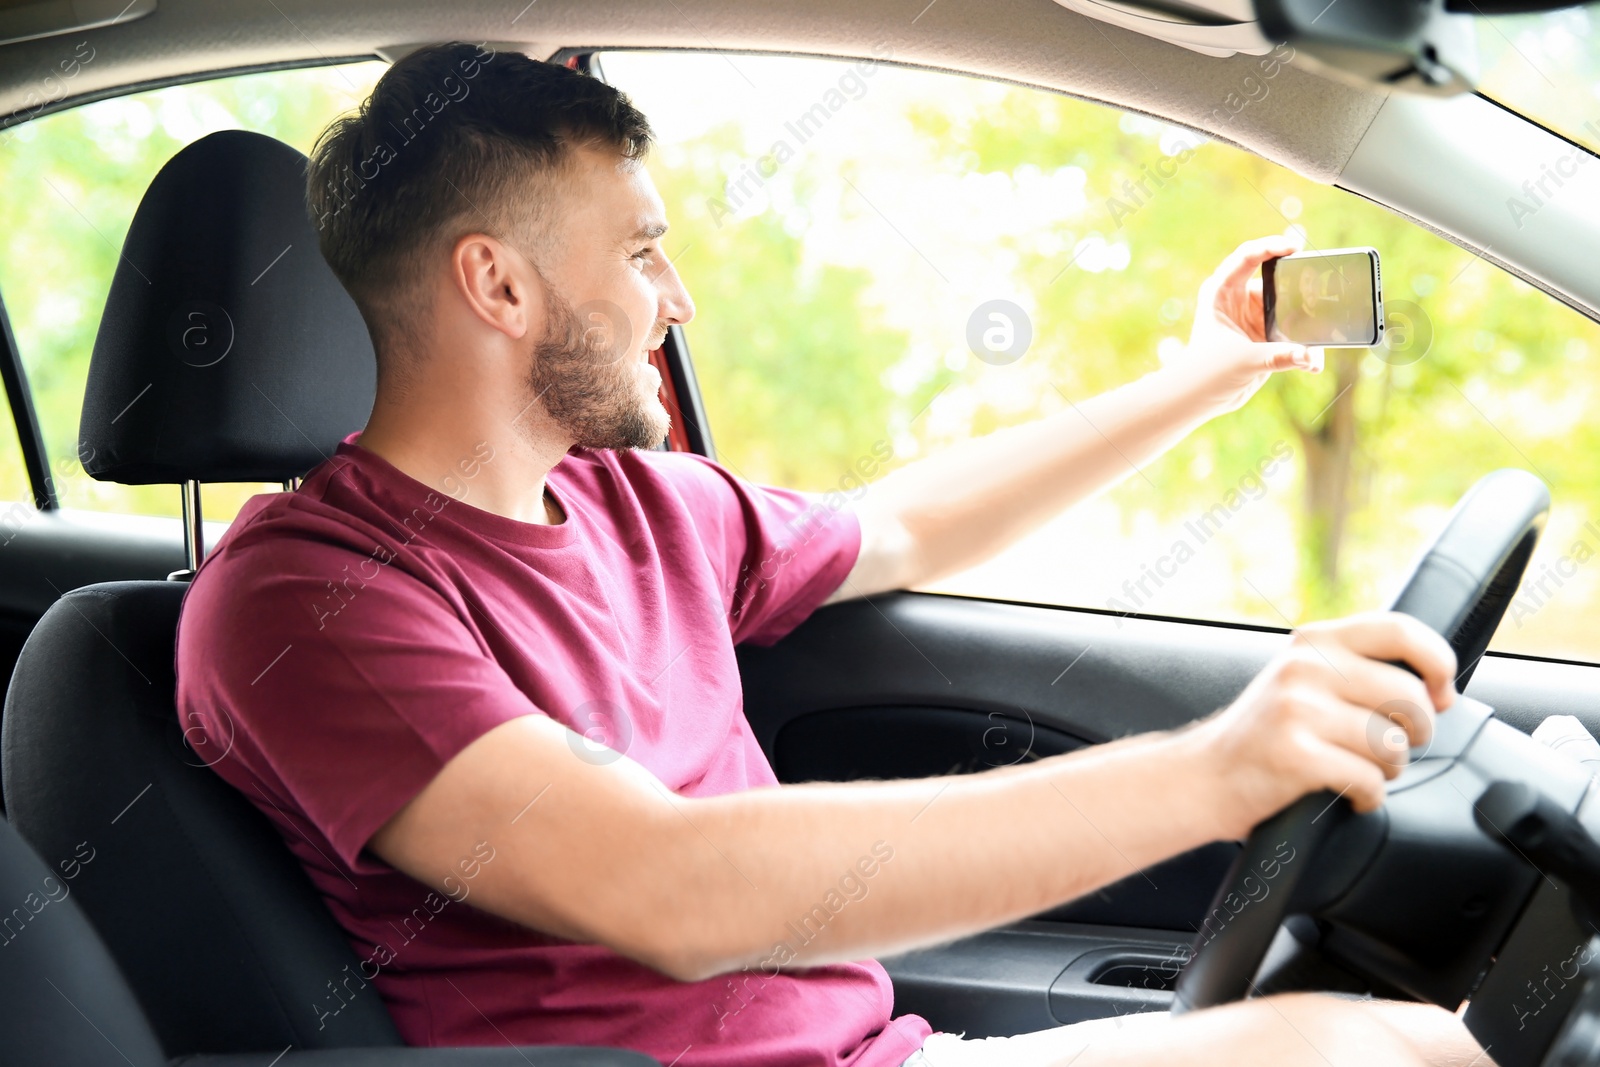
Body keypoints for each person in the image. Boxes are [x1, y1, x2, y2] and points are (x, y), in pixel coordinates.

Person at [174, 42, 1493, 1067]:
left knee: (1418, 1039)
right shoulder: (305, 596)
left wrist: (1201, 381)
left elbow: (914, 523)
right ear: (499, 287)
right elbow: (663, 883)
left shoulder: (640, 505)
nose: (676, 299)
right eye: (641, 253)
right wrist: (1211, 774)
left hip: (882, 1050)